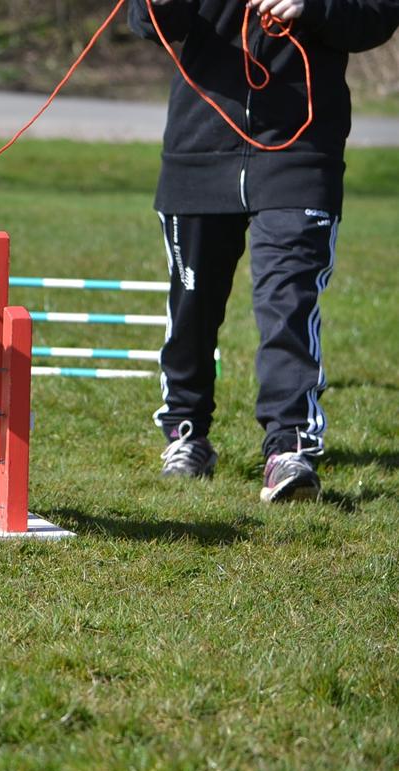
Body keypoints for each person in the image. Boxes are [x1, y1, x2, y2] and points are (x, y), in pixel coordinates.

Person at [128, 0, 399, 501]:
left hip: (301, 153)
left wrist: (313, 7)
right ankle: (187, 434)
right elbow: (147, 23)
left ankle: (289, 446)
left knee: (287, 303)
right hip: (199, 151)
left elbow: (377, 17)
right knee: (193, 306)